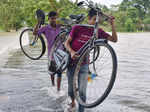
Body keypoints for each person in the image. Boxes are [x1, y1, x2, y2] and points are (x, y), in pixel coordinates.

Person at [64, 8, 118, 112]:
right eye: (94, 19)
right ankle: (72, 102)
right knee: (71, 91)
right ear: (88, 19)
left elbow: (114, 40)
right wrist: (71, 52)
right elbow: (66, 43)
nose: (96, 22)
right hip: (71, 63)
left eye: (98, 20)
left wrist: (112, 25)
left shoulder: (98, 31)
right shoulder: (77, 28)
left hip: (84, 65)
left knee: (83, 93)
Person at [33, 11, 65, 97]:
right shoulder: (45, 28)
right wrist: (38, 22)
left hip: (60, 53)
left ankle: (58, 90)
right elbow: (35, 33)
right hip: (51, 54)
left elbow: (69, 33)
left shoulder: (60, 27)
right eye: (52, 18)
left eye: (55, 18)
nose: (54, 20)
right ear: (49, 19)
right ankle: (53, 85)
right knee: (51, 73)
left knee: (59, 72)